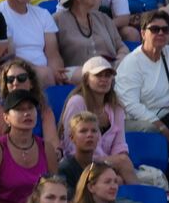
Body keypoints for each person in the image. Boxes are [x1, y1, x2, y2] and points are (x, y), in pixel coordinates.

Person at [0, 91, 57, 203]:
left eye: (30, 108)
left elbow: (56, 190)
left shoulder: (46, 148)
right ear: (6, 118)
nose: (27, 113)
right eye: (19, 109)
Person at [58, 57, 137, 185]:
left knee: (120, 175)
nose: (104, 79)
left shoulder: (116, 108)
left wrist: (113, 170)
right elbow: (70, 146)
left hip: (108, 165)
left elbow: (120, 145)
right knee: (122, 165)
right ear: (86, 79)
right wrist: (113, 163)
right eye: (98, 75)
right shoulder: (77, 102)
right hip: (80, 163)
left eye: (108, 75)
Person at [113, 12, 169, 137]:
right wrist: (160, 126)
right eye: (155, 29)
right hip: (142, 120)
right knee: (151, 129)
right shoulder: (131, 63)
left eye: (165, 29)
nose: (161, 33)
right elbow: (131, 105)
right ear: (143, 33)